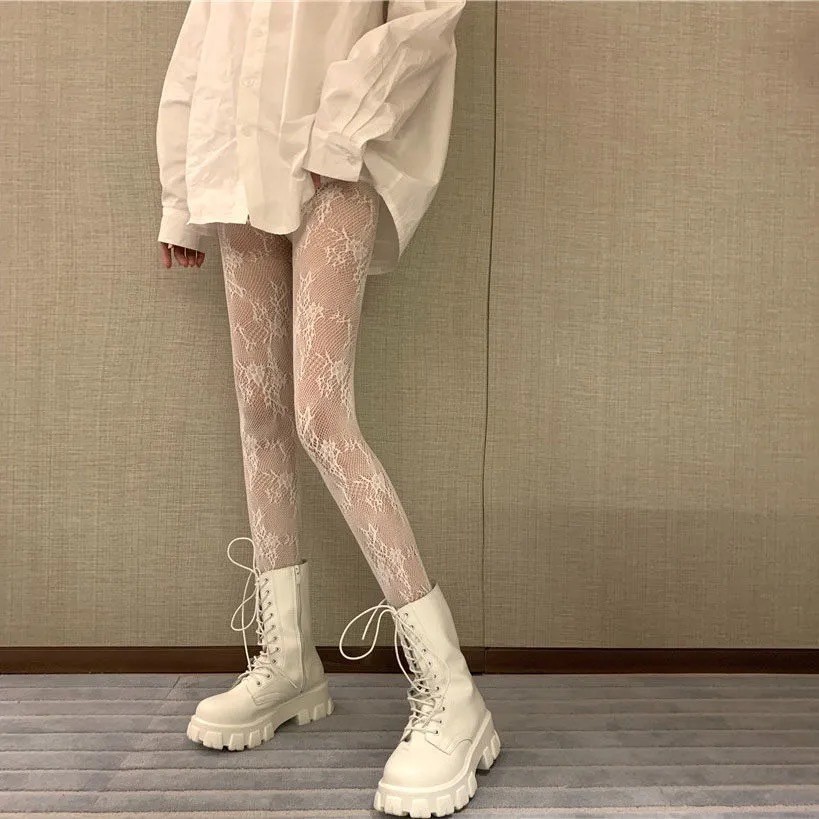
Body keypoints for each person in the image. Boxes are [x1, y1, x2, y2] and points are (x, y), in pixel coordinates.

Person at [155, 1, 500, 815]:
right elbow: (202, 39)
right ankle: (287, 663)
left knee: (320, 414)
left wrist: (342, 129)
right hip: (233, 164)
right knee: (260, 411)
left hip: (335, 163)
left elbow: (425, 17)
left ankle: (452, 691)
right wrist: (178, 195)